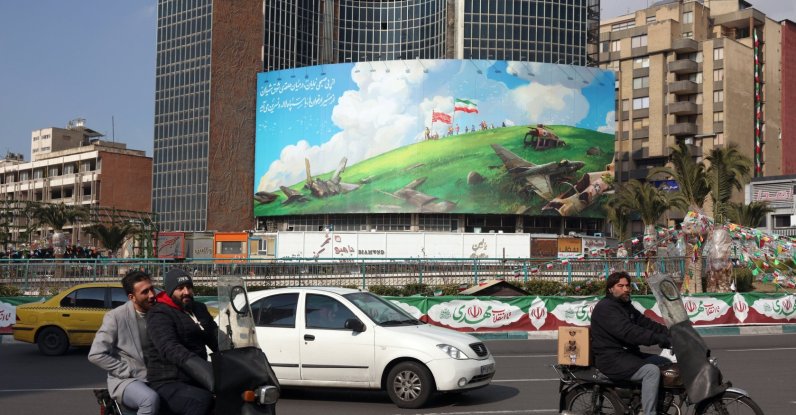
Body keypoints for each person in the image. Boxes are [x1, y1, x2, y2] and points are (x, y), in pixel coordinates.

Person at [591, 271, 672, 415]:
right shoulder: (606, 308)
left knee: (664, 362)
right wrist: (658, 339)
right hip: (611, 358)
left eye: (627, 286)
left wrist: (670, 332)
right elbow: (630, 332)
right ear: (610, 289)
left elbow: (645, 323)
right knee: (651, 371)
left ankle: (648, 400)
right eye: (620, 286)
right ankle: (649, 412)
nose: (625, 289)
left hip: (626, 355)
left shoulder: (625, 305)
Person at [145, 269, 219, 415]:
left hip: (197, 377)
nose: (186, 292)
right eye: (180, 288)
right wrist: (201, 366)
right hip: (168, 380)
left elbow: (215, 337)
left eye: (189, 287)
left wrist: (235, 352)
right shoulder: (159, 313)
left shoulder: (199, 309)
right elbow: (169, 347)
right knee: (201, 400)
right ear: (170, 291)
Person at [88, 270, 159, 415]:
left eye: (152, 289)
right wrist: (128, 371)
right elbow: (96, 354)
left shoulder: (160, 312)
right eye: (145, 292)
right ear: (131, 297)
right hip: (127, 381)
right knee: (149, 400)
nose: (152, 295)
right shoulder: (116, 316)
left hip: (159, 376)